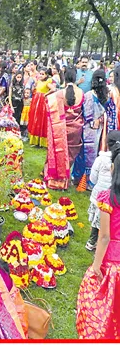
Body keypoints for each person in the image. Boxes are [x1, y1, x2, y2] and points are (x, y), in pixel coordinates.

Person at [76, 131, 120, 338]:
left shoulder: (107, 199)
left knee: (102, 304)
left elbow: (104, 237)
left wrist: (95, 267)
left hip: (111, 261)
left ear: (113, 169)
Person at [44, 68, 85, 190]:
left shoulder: (59, 94)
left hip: (61, 128)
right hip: (76, 128)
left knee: (59, 152)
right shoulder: (81, 92)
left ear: (65, 78)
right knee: (70, 155)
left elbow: (48, 103)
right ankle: (65, 179)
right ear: (75, 77)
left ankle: (54, 179)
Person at [73, 69, 109, 189]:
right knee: (96, 153)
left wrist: (94, 121)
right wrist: (100, 120)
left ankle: (80, 179)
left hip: (89, 128)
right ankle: (92, 181)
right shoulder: (106, 96)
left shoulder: (89, 95)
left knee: (84, 153)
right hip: (101, 129)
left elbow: (87, 114)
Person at [86, 141, 113, 251]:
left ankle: (92, 242)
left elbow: (93, 178)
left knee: (97, 219)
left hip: (99, 194)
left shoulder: (100, 159)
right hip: (113, 197)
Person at [27, 68, 54, 147]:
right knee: (35, 119)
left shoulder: (47, 82)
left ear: (46, 75)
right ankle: (35, 140)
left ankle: (41, 141)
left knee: (41, 120)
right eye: (40, 74)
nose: (41, 75)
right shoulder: (38, 81)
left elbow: (53, 89)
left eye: (43, 74)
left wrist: (45, 94)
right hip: (36, 102)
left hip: (42, 103)